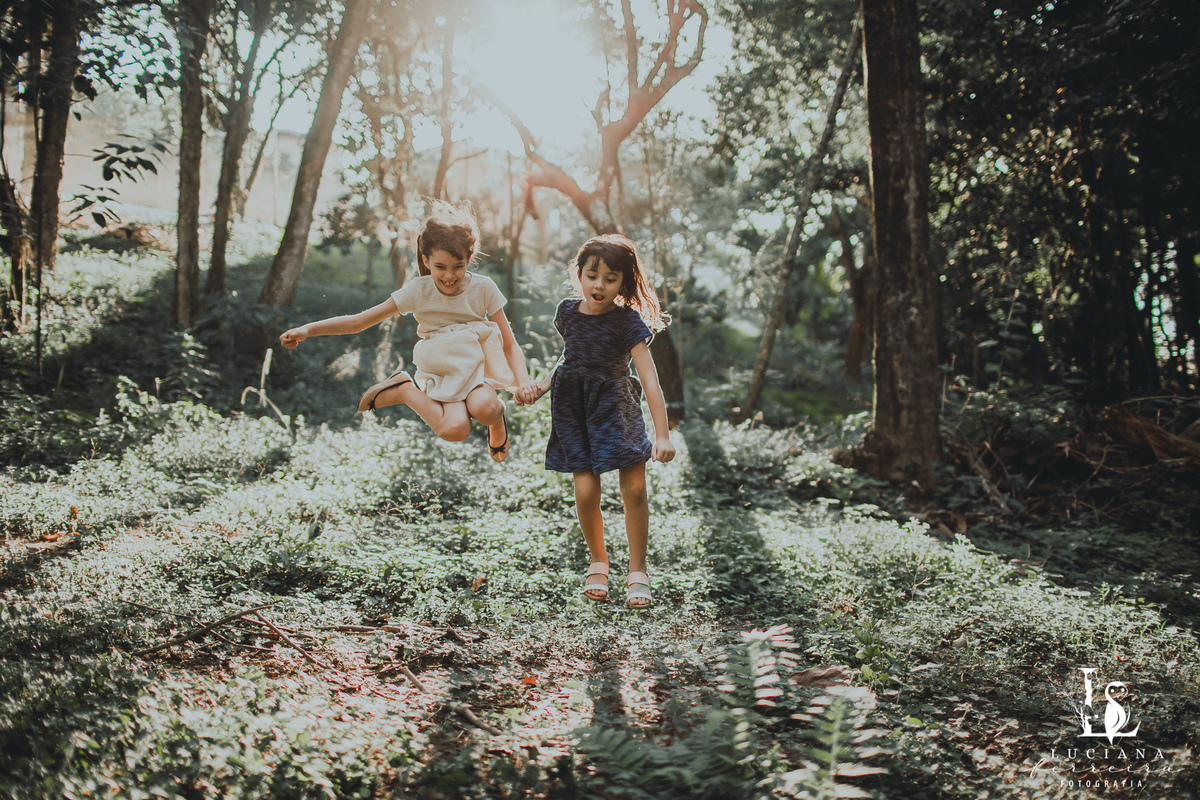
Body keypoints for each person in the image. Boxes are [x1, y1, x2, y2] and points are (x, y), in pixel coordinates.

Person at [280, 201, 535, 462]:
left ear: (469, 260)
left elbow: (509, 344)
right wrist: (307, 330)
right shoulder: (418, 290)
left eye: (458, 266)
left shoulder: (484, 288)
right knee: (455, 430)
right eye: (440, 267)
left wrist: (524, 382)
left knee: (487, 408)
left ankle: (496, 419)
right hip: (444, 366)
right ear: (426, 260)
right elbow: (358, 322)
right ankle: (404, 390)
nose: (449, 276)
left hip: (476, 365)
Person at [521, 234, 675, 608]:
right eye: (592, 276)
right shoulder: (567, 312)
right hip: (573, 405)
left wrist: (663, 435)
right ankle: (598, 561)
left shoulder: (627, 321)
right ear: (579, 275)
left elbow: (650, 379)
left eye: (610, 278)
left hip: (616, 406)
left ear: (623, 282)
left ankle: (638, 569)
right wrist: (542, 386)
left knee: (634, 489)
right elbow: (569, 356)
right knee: (586, 492)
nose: (600, 286)